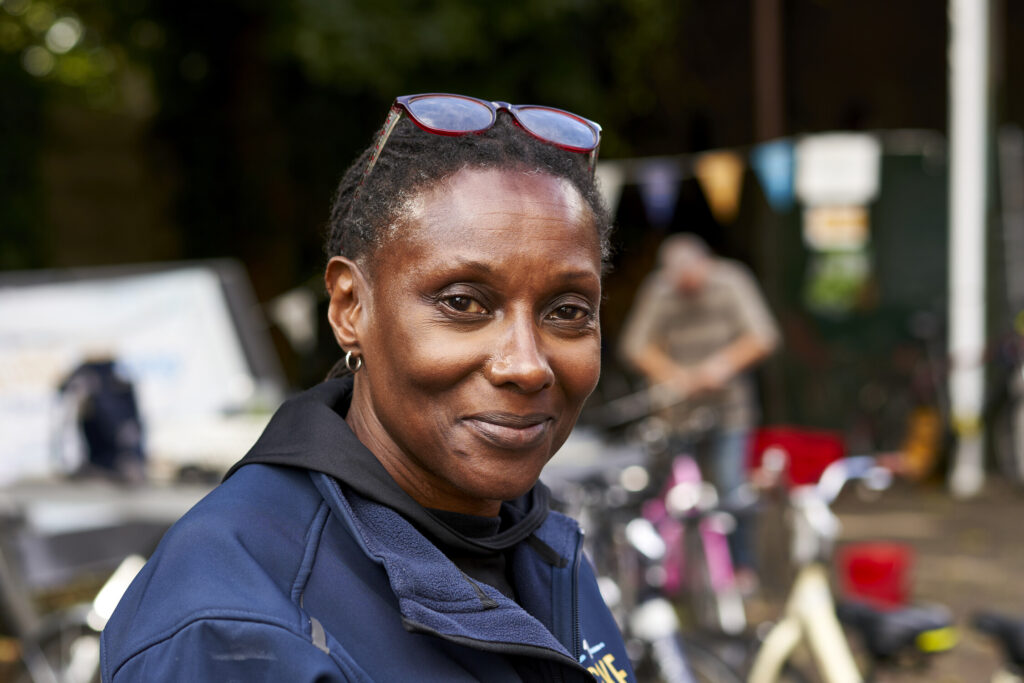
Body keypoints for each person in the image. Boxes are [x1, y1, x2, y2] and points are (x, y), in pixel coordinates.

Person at [100, 94, 635, 682]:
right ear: (350, 308)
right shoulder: (236, 624)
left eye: (567, 311)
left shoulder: (540, 546)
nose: (527, 366)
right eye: (462, 303)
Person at [619, 233, 780, 585]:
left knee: (730, 489)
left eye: (693, 282)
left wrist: (721, 365)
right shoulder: (660, 289)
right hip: (676, 411)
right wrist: (673, 375)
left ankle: (740, 568)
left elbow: (763, 336)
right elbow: (635, 346)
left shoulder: (732, 281)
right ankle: (675, 574)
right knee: (675, 494)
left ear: (705, 264)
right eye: (680, 284)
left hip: (728, 408)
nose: (687, 290)